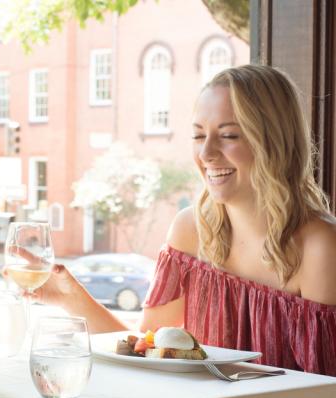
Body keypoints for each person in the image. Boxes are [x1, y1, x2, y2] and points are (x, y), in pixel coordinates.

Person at [30, 64, 336, 376]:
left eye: (229, 135)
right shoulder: (190, 230)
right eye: (198, 135)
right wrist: (71, 299)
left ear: (276, 141)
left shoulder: (319, 246)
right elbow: (147, 351)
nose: (206, 153)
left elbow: (326, 395)